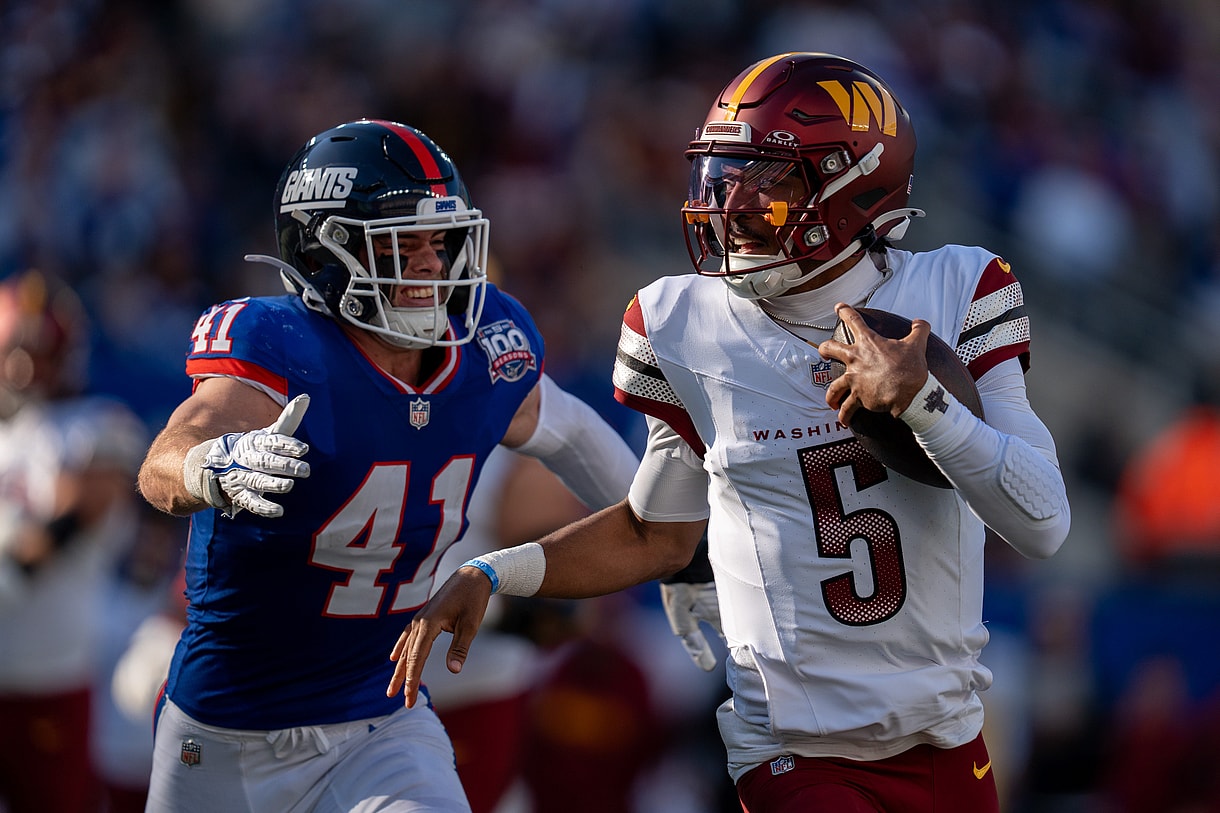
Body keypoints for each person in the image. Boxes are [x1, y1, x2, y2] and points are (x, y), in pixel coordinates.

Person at [389, 53, 1072, 813]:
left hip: (946, 737)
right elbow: (658, 532)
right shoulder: (680, 323)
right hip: (792, 747)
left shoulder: (953, 290)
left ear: (854, 184)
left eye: (767, 178)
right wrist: (497, 572)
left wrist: (925, 405)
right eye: (721, 174)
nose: (730, 201)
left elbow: (1042, 522)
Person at [135, 119, 638, 813]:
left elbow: (572, 431)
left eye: (442, 240)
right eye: (403, 243)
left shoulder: (483, 352)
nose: (432, 265)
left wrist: (672, 548)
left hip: (382, 721)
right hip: (224, 733)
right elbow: (167, 455)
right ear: (325, 251)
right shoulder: (278, 346)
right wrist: (209, 467)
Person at [0, 269, 149, 813]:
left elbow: (76, 513)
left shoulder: (96, 424)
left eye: (37, 348)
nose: (23, 364)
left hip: (52, 674)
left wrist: (11, 574)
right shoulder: (10, 432)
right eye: (18, 348)